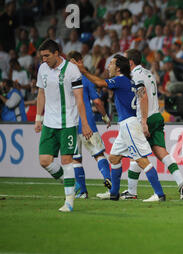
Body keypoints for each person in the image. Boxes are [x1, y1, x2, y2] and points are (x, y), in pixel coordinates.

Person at [71, 54, 166, 201]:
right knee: (114, 158)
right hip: (127, 124)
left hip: (129, 124)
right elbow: (142, 97)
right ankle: (114, 193)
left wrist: (83, 71)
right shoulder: (131, 80)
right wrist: (143, 120)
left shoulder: (121, 80)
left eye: (111, 63)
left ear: (119, 67)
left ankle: (159, 194)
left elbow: (100, 83)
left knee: (141, 159)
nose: (109, 66)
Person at [119, 48, 183, 202]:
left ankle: (132, 191)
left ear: (130, 62)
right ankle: (181, 183)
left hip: (146, 118)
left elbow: (142, 95)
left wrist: (143, 121)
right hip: (156, 115)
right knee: (160, 151)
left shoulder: (135, 75)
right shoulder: (148, 73)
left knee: (136, 154)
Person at [34, 39, 93, 212]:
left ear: (56, 53)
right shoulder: (43, 69)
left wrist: (85, 123)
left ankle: (69, 202)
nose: (44, 59)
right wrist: (39, 118)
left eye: (46, 56)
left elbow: (79, 98)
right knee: (44, 161)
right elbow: (41, 93)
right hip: (49, 123)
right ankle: (71, 183)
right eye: (42, 56)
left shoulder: (72, 70)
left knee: (67, 160)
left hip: (68, 122)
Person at [67, 51, 112, 199]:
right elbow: (97, 102)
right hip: (88, 124)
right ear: (81, 61)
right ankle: (109, 181)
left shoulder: (65, 79)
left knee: (76, 159)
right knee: (98, 154)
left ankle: (83, 192)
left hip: (71, 124)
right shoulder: (85, 79)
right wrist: (105, 116)